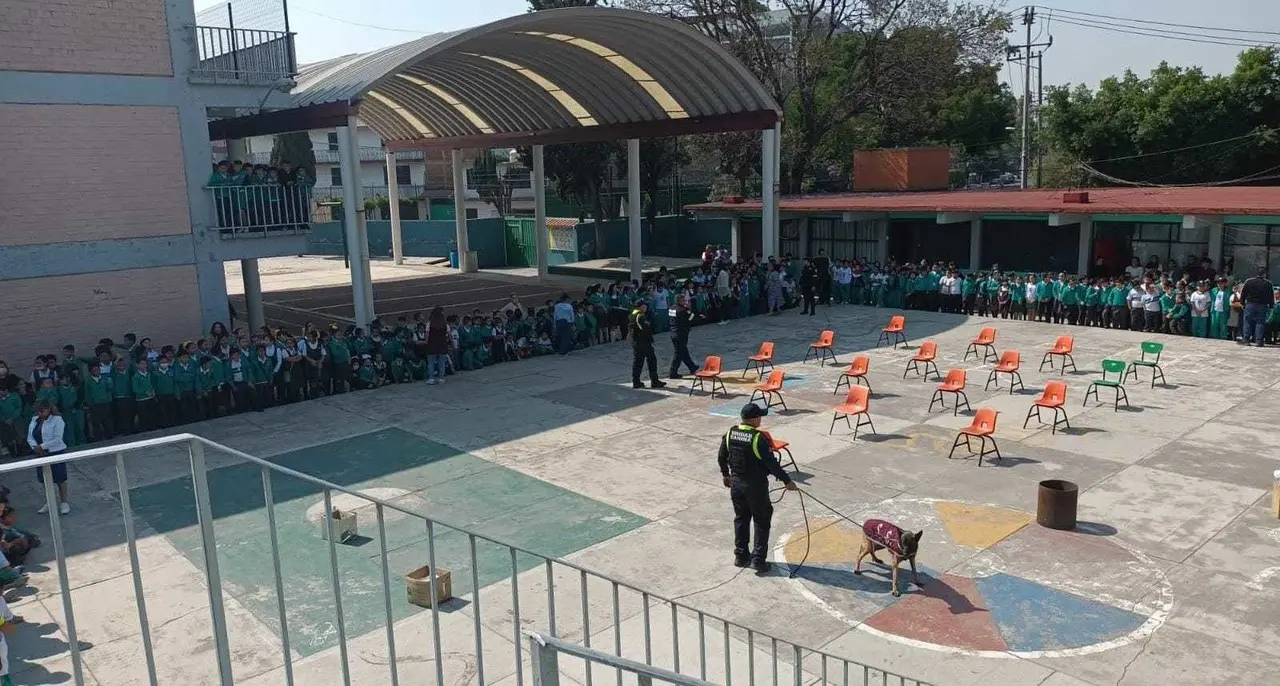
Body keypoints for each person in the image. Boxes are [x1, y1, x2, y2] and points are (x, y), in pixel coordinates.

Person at [717, 403, 797, 572]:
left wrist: (726, 475)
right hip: (755, 486)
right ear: (753, 419)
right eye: (759, 416)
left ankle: (740, 556)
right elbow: (772, 464)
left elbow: (722, 456)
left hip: (736, 485)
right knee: (761, 521)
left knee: (741, 518)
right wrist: (787, 481)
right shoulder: (757, 438)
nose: (761, 419)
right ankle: (758, 560)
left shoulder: (730, 433)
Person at [28, 400, 70, 515]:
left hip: (55, 451)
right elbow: (30, 436)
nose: (40, 414)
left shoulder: (57, 420)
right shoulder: (34, 420)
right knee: (44, 480)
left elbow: (57, 438)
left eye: (42, 411)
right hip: (39, 454)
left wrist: (42, 446)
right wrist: (34, 447)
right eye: (38, 411)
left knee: (60, 478)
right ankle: (49, 502)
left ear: (48, 409)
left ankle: (64, 502)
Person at [629, 301, 665, 389]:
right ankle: (654, 381)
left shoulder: (632, 315)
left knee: (638, 362)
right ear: (640, 307)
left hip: (636, 342)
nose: (646, 308)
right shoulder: (641, 316)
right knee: (652, 360)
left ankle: (636, 381)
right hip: (643, 342)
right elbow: (646, 329)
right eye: (644, 306)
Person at [1240, 266, 1275, 347]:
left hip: (1250, 304)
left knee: (1247, 321)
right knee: (1260, 322)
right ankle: (1259, 341)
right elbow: (1271, 296)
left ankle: (1246, 339)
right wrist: (1271, 306)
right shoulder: (1268, 283)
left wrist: (1242, 302)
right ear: (1264, 274)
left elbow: (1243, 293)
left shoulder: (1249, 281)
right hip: (1262, 305)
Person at [667, 295, 699, 379]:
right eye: (683, 300)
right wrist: (690, 310)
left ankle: (692, 367)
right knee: (678, 354)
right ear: (679, 301)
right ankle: (672, 372)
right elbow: (690, 319)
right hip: (681, 334)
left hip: (673, 332)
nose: (685, 302)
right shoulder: (682, 310)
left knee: (683, 351)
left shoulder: (671, 308)